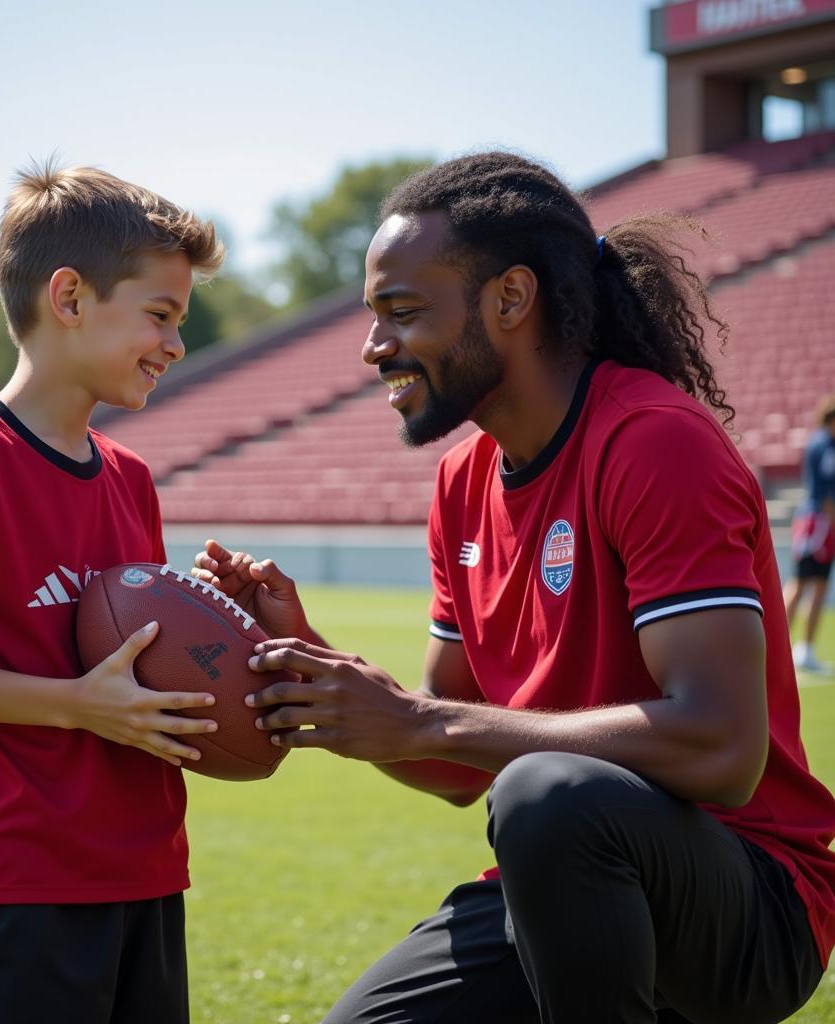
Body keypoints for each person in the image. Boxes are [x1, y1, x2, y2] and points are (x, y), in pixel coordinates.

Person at [193, 153, 835, 1024]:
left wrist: (424, 720)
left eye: (403, 312)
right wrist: (321, 672)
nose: (374, 346)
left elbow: (722, 751)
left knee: (543, 794)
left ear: (510, 299)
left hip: (748, 898)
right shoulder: (463, 481)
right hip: (560, 879)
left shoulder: (652, 442)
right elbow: (453, 765)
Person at [0, 163, 224, 1024]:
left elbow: (141, 666)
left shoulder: (131, 477)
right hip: (21, 874)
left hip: (147, 869)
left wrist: (225, 648)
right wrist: (74, 706)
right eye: (161, 316)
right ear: (69, 297)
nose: (175, 344)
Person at [784, 395, 835, 672]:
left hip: (822, 523)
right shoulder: (823, 445)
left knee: (819, 585)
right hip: (817, 523)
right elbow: (826, 493)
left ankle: (805, 649)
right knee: (802, 582)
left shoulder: (826, 444)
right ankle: (780, 643)